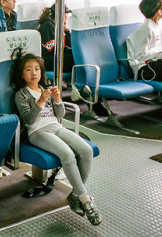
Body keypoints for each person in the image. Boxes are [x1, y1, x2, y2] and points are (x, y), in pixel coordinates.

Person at [12, 50, 102, 226]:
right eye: (29, 69)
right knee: (67, 155)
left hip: (55, 126)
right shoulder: (21, 94)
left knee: (85, 150)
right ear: (22, 75)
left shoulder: (45, 89)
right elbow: (29, 119)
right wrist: (40, 102)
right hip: (37, 132)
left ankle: (76, 195)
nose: (34, 73)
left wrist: (57, 100)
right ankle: (85, 199)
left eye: (37, 69)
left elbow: (59, 114)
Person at [127, 0, 162, 128]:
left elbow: (160, 48)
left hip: (157, 64)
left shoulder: (159, 25)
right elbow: (140, 57)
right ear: (159, 11)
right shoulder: (145, 29)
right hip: (145, 69)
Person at [38, 4, 74, 72]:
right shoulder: (48, 25)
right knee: (74, 58)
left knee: (77, 57)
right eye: (66, 14)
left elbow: (70, 44)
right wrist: (71, 51)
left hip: (57, 56)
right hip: (48, 59)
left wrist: (66, 30)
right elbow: (54, 49)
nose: (68, 17)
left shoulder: (58, 27)